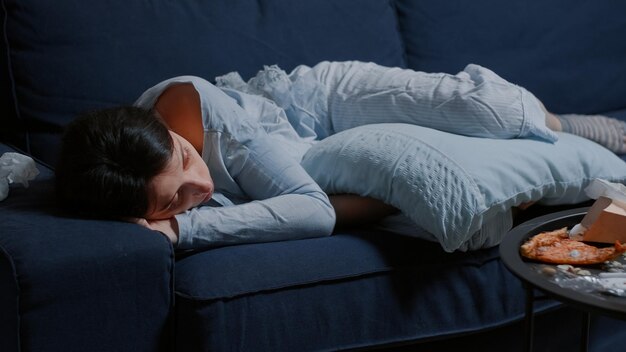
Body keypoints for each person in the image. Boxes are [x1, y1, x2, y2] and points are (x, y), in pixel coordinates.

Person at [55, 61, 626, 249]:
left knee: (493, 113)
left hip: (323, 103)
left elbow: (313, 211)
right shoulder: (112, 172)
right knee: (422, 200)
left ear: (168, 132)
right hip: (312, 159)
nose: (197, 189)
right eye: (171, 202)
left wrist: (185, 230)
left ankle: (575, 127)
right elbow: (316, 207)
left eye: (185, 159)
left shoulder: (209, 121)